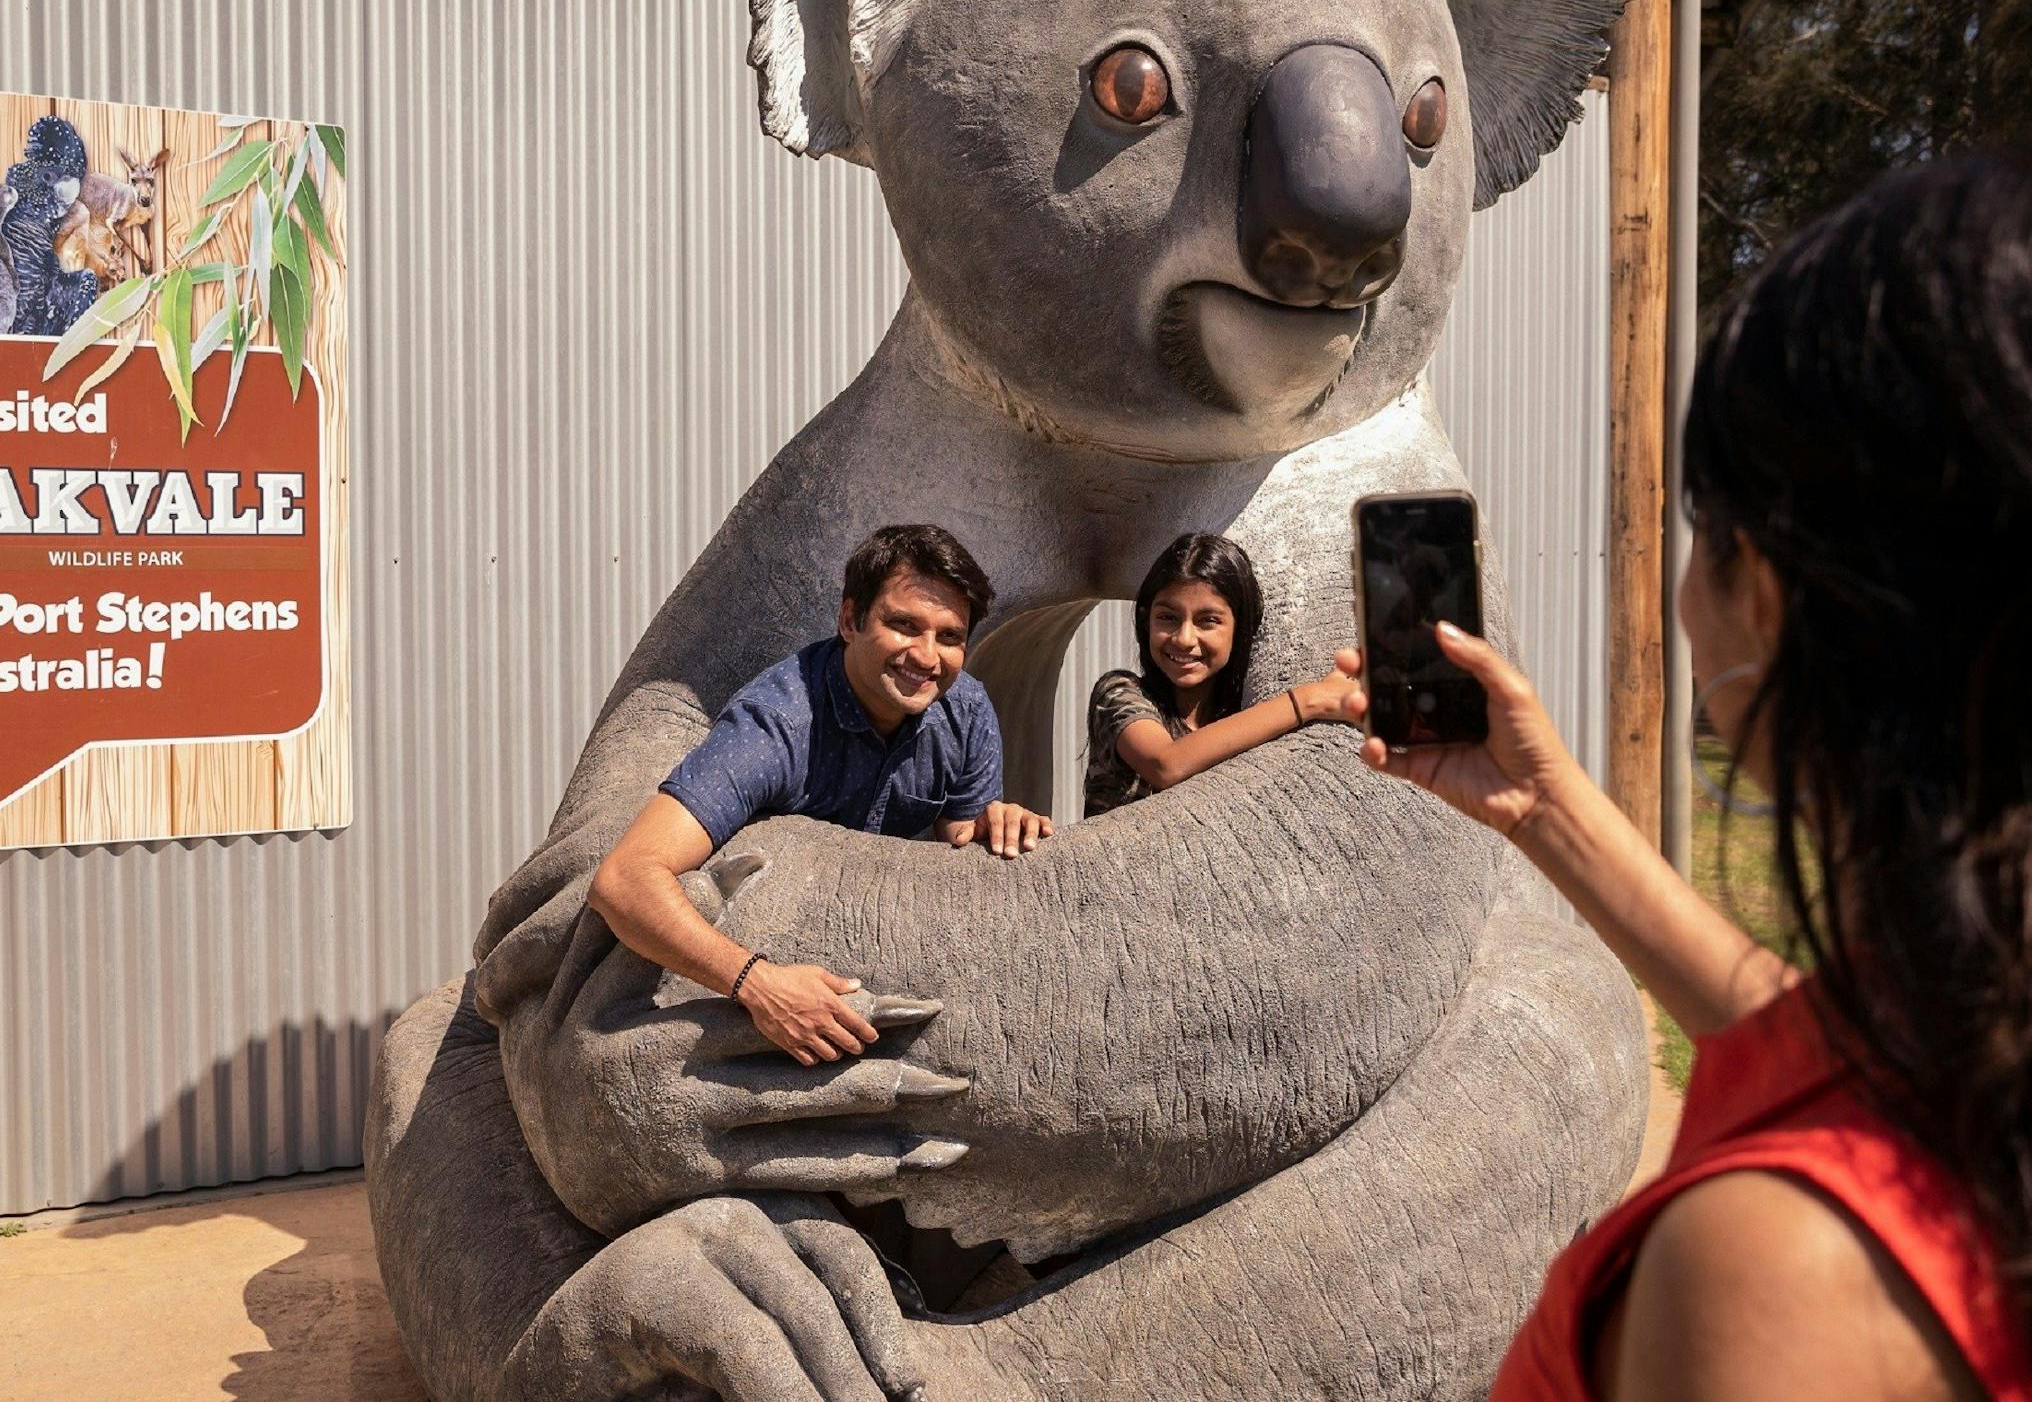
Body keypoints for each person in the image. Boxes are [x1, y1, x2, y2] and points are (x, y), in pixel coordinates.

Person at [1338, 156, 2032, 1400]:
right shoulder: (1971, 1018)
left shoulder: (1779, 1271)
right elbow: (1798, 1032)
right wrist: (1542, 804)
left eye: (1704, 519)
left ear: (1764, 585)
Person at [590, 523, 1053, 1067]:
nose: (928, 658)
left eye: (950, 637)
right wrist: (757, 985)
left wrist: (997, 824)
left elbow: (957, 834)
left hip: (866, 964)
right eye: (904, 625)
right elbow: (623, 881)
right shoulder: (775, 726)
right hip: (759, 984)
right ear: (849, 620)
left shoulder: (966, 710)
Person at [1083, 531, 1363, 817]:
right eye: (1168, 617)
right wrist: (1310, 700)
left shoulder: (1247, 710)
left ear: (1239, 629)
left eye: (1208, 621)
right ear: (1146, 621)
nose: (1184, 638)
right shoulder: (1119, 692)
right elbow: (1165, 764)